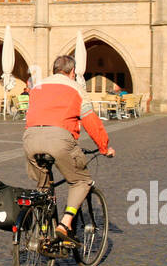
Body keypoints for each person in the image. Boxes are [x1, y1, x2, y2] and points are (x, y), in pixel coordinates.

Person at [22, 54, 115, 245]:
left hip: (30, 139)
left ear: (54, 69)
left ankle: (44, 233)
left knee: (43, 188)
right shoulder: (76, 88)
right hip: (60, 139)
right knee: (81, 180)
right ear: (72, 72)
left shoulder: (37, 87)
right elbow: (91, 122)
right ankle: (65, 224)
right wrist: (104, 148)